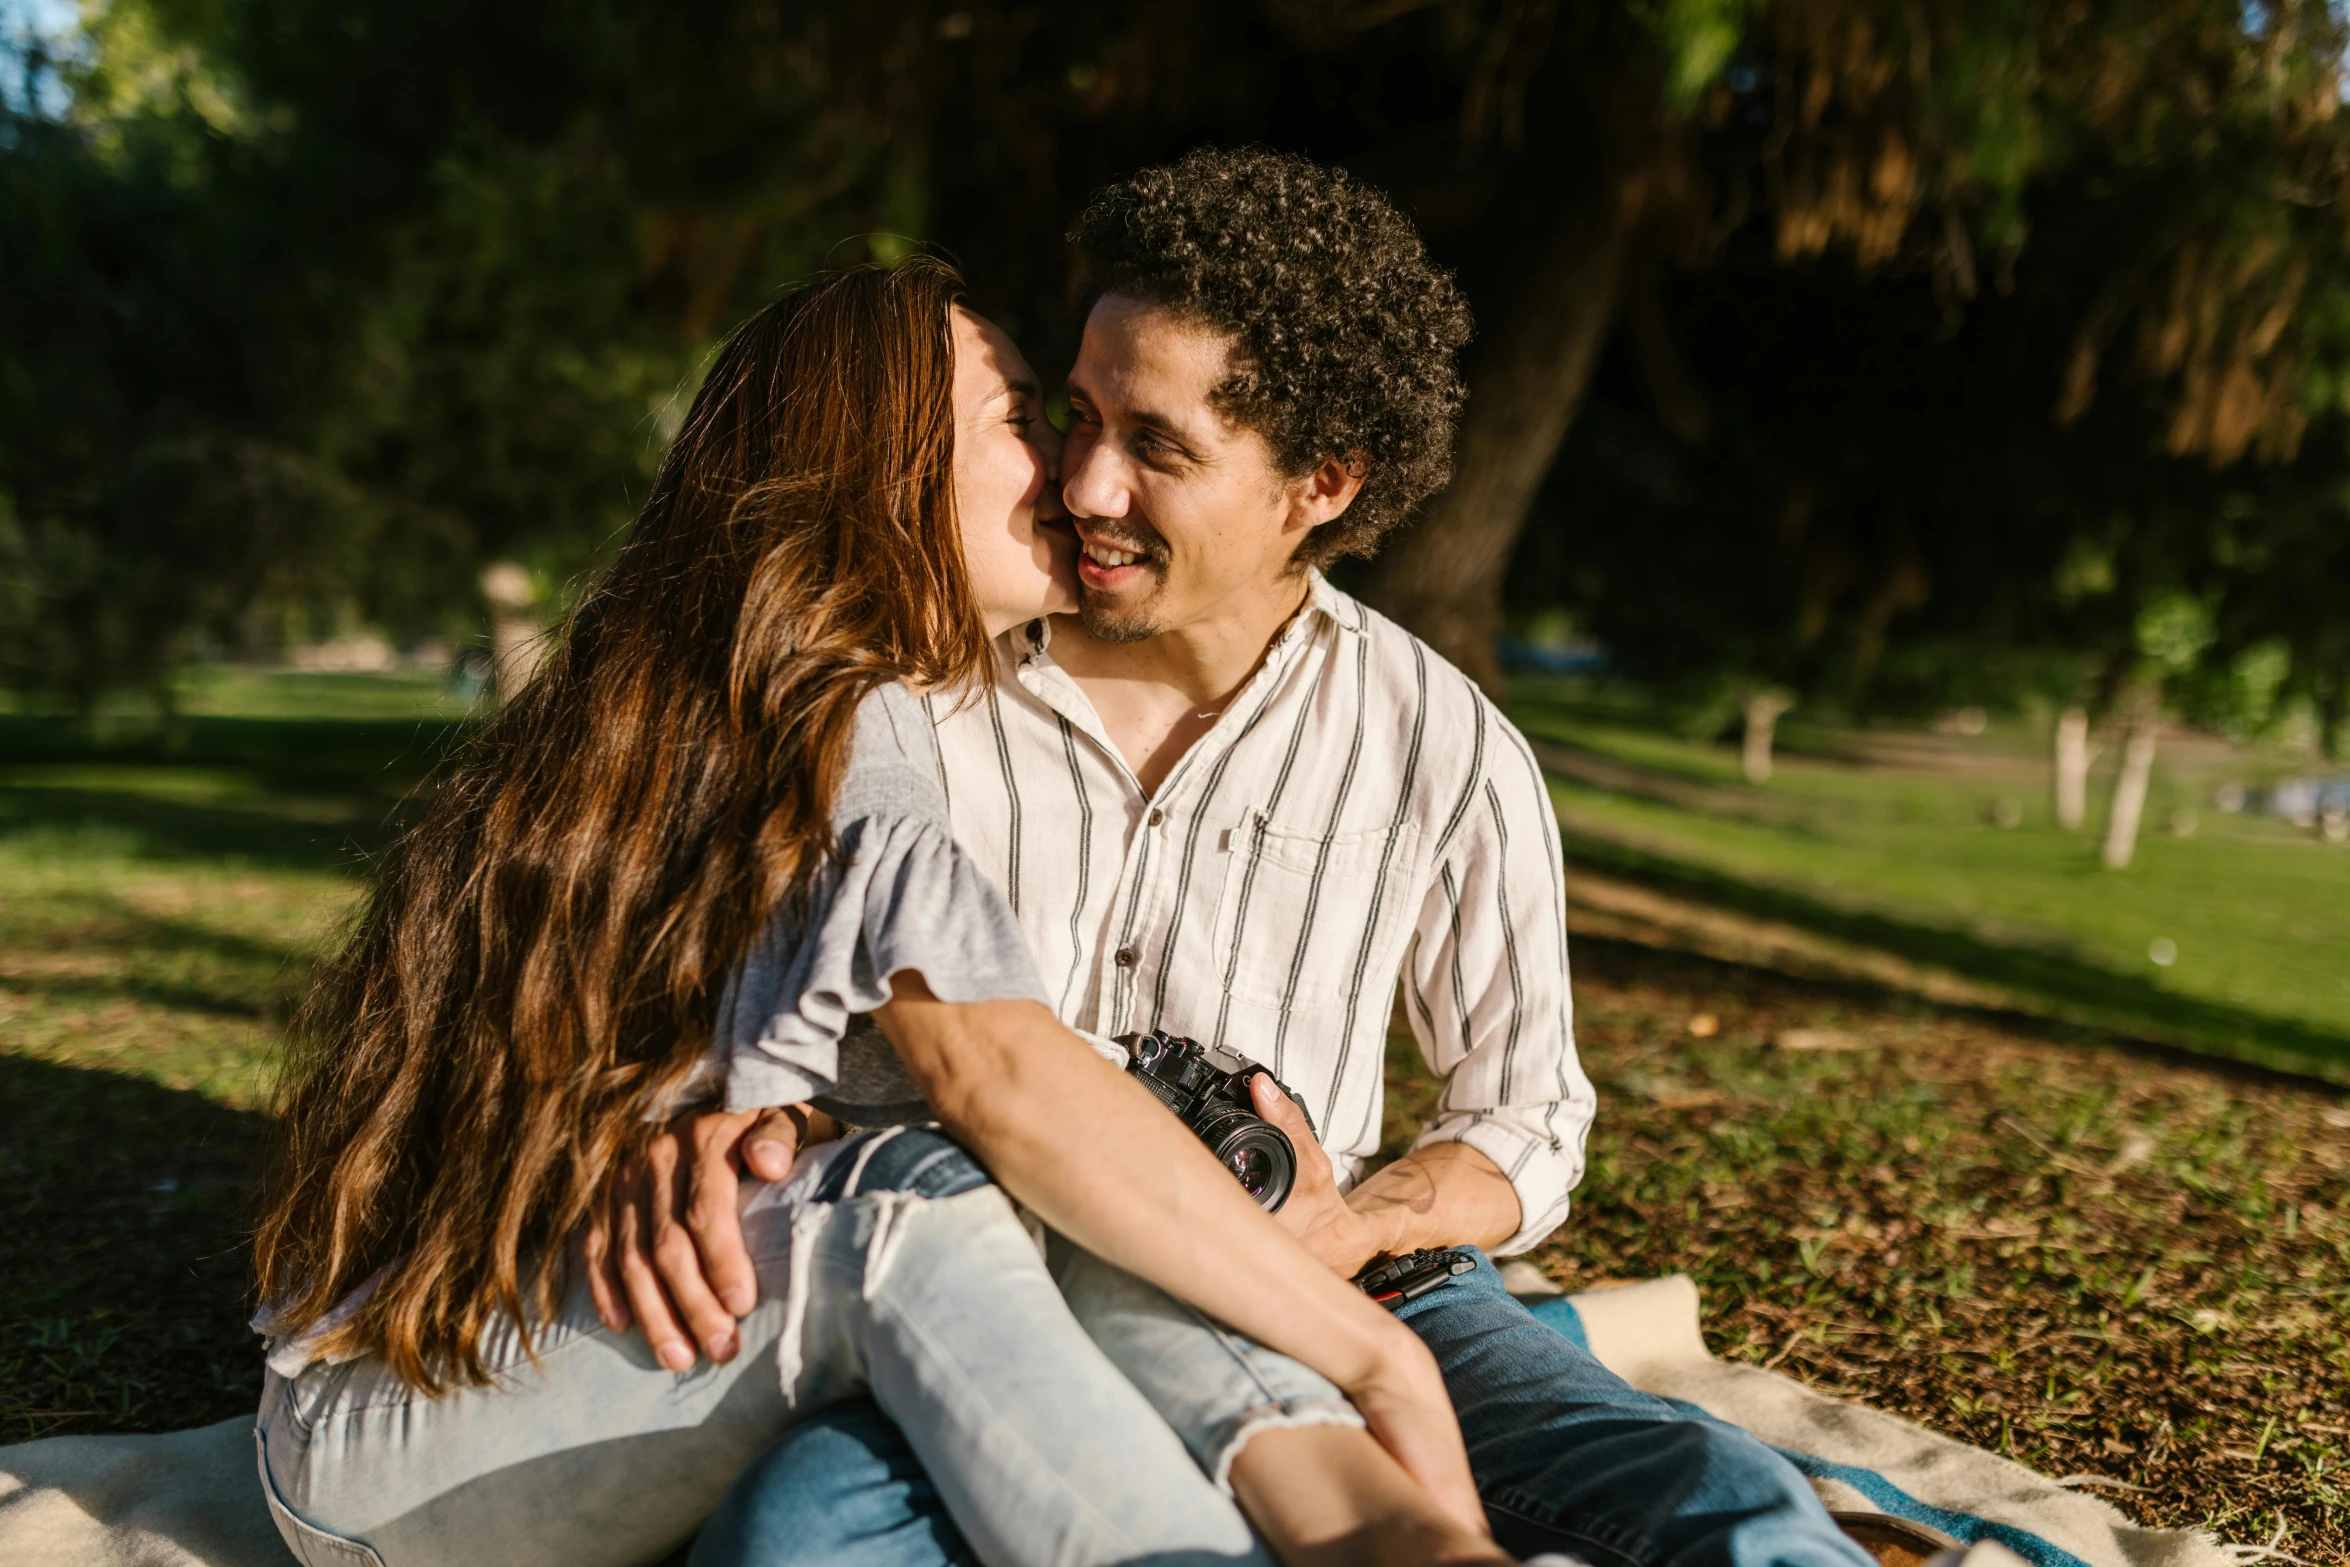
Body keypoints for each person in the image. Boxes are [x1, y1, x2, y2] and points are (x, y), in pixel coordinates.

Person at [626, 151, 1881, 1567]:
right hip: (995, 1290)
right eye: (1074, 418)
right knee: (797, 1540)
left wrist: (1346, 1230)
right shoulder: (916, 694)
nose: (1086, 485)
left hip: (1357, 1283)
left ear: (1318, 484)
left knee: (1719, 1499)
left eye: (1156, 448)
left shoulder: (1440, 745)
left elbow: (1527, 1114)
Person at [247, 259, 1516, 1567]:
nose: (1072, 478)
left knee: (1064, 1193)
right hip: (403, 1440)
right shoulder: (841, 716)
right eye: (1024, 421)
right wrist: (1375, 1352)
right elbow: (993, 1074)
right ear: (881, 474)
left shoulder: (757, 687)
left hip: (528, 1401)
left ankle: (1405, 1546)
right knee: (912, 1200)